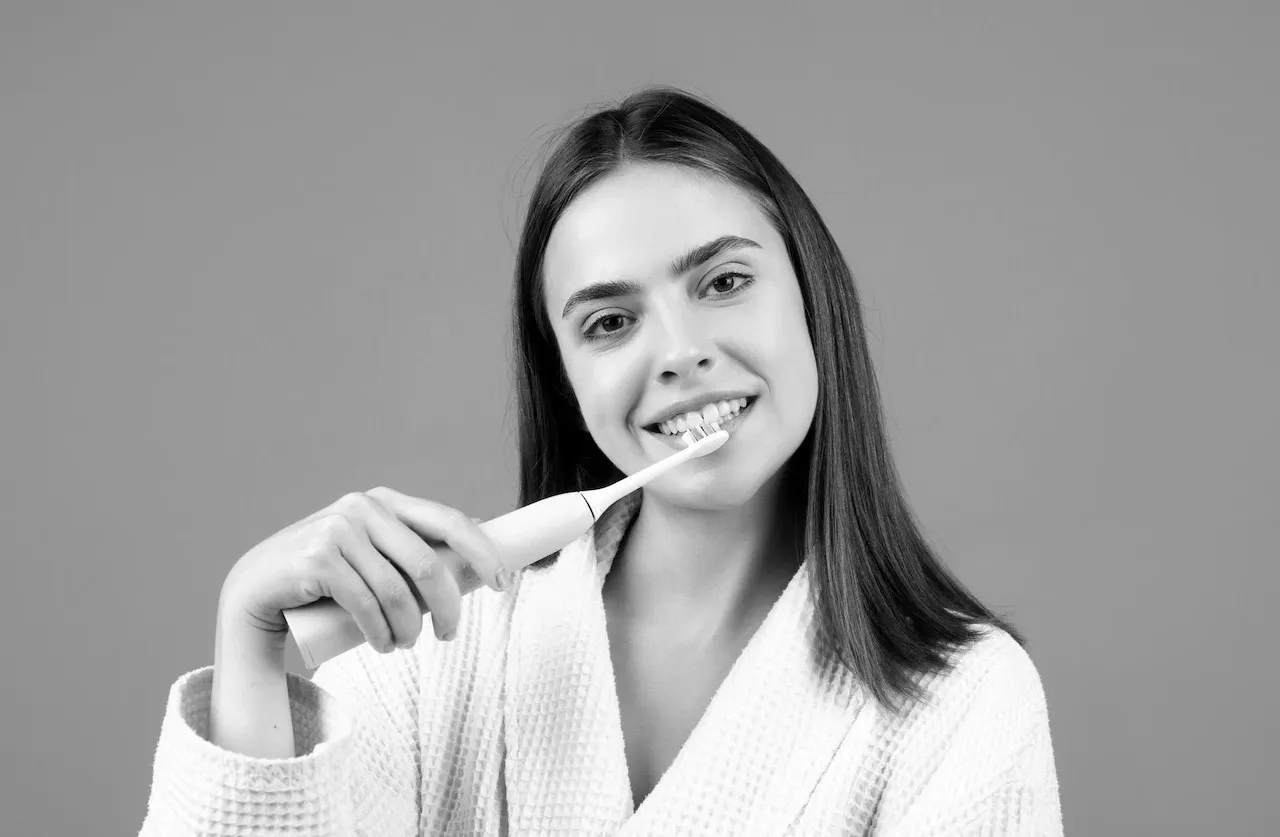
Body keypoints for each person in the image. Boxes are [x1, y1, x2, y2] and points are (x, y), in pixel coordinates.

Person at [140, 86, 1063, 836]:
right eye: (610, 322)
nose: (678, 351)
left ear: (813, 299)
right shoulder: (428, 648)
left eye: (725, 282)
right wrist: (252, 655)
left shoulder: (967, 704)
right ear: (567, 377)